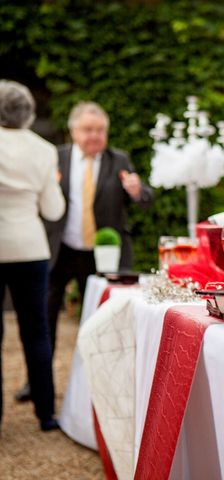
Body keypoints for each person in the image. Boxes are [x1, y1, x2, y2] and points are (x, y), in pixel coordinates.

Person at [15, 101, 154, 402]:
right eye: (88, 130)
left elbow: (144, 199)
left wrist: (136, 191)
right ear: (73, 131)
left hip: (102, 256)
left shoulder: (119, 160)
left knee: (102, 322)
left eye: (100, 130)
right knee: (43, 319)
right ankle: (37, 384)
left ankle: (98, 390)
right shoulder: (57, 158)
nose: (95, 136)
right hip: (60, 251)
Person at [0, 80, 65, 431]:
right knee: (37, 331)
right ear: (28, 112)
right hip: (30, 247)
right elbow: (53, 211)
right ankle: (45, 414)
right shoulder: (43, 149)